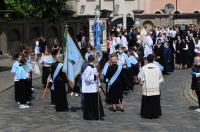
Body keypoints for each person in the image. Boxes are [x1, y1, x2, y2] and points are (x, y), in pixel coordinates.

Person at [138, 54, 164, 119]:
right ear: (153, 59)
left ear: (147, 60)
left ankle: (146, 114)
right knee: (155, 101)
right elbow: (161, 78)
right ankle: (155, 114)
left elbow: (139, 77)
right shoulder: (157, 68)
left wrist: (142, 80)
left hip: (147, 88)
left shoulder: (144, 68)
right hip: (155, 88)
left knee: (147, 102)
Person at [81, 55, 105, 120]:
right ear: (93, 60)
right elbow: (87, 78)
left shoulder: (94, 67)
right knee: (90, 104)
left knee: (95, 103)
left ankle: (96, 115)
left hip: (94, 88)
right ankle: (89, 116)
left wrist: (99, 85)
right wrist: (95, 76)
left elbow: (97, 77)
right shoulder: (88, 68)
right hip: (89, 89)